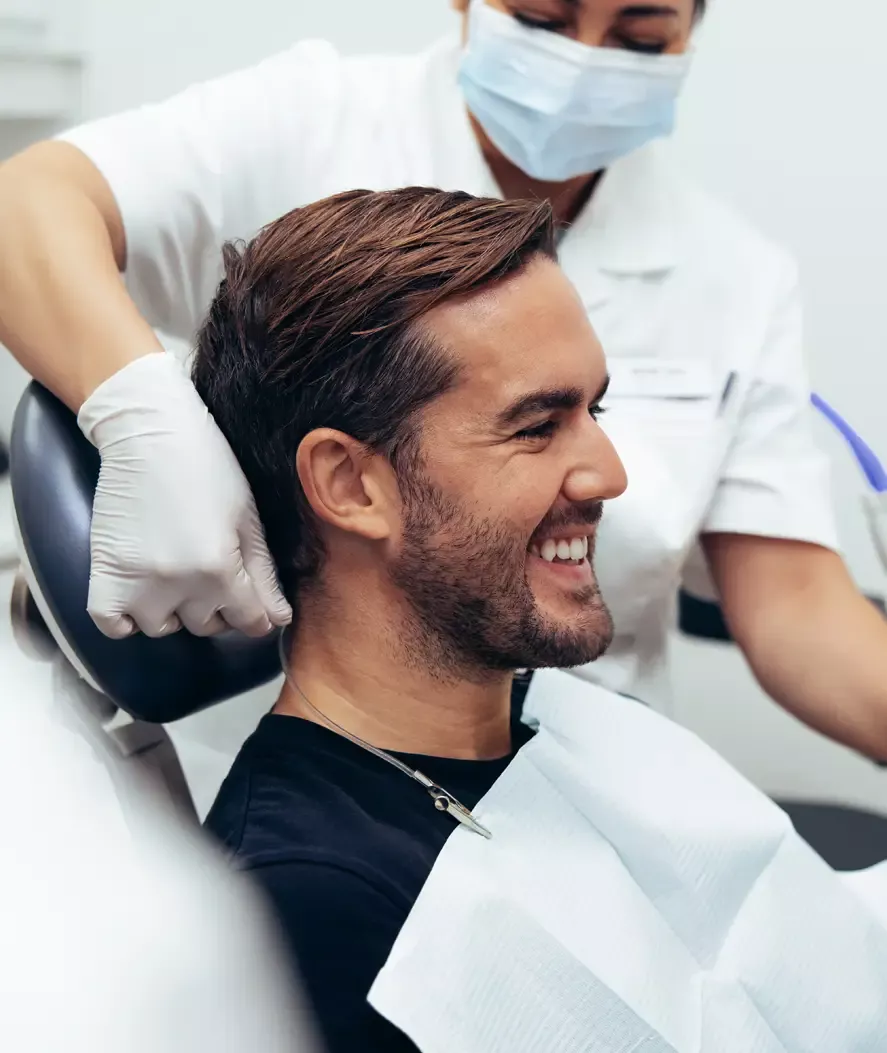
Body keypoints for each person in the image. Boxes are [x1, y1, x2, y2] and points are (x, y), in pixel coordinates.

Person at [2, 0, 887, 763]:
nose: (582, 57)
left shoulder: (732, 272)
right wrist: (142, 411)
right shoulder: (312, 122)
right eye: (542, 20)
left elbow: (794, 610)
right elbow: (23, 208)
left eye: (641, 37)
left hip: (592, 785)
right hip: (305, 767)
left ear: (694, 31)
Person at [196, 188, 887, 1053]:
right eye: (536, 426)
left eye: (592, 411)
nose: (608, 474)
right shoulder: (306, 901)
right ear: (348, 484)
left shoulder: (570, 723)